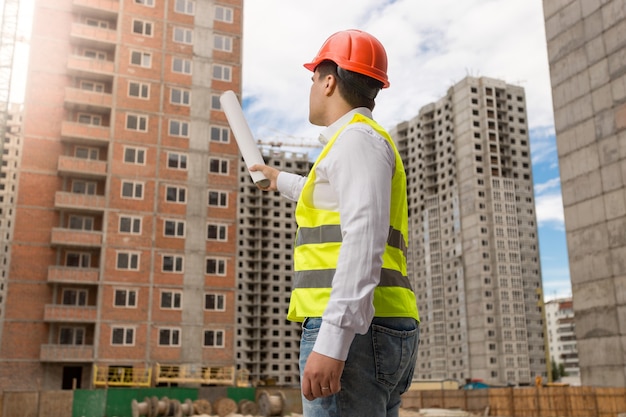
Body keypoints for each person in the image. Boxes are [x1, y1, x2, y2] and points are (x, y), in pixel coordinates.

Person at [250, 29, 420, 417]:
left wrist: (333, 340)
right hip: (377, 326)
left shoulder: (357, 140)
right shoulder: (357, 141)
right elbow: (329, 195)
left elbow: (363, 238)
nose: (311, 87)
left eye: (313, 78)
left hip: (356, 330)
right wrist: (279, 180)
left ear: (329, 81)